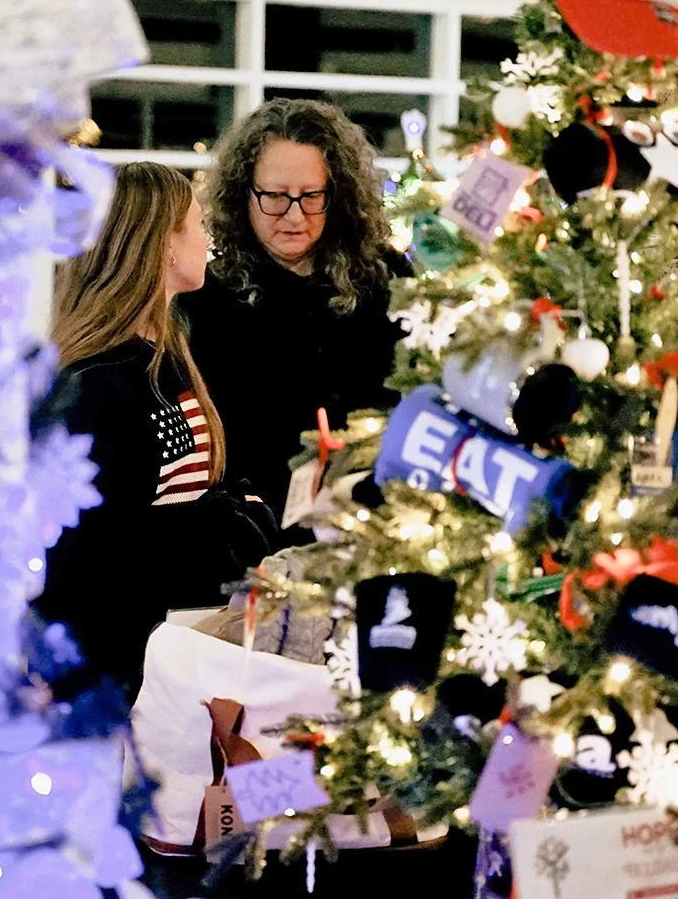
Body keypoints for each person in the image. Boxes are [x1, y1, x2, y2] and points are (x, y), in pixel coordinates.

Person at [37, 162, 276, 690]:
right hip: (119, 671)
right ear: (162, 243)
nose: (207, 238)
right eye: (197, 224)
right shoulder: (99, 383)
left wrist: (236, 510)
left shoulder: (162, 359)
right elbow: (97, 548)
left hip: (167, 652)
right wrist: (226, 521)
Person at [181, 98, 410, 517]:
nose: (293, 215)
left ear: (336, 194)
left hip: (377, 516)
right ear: (243, 193)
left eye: (310, 196)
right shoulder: (208, 297)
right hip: (254, 529)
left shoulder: (385, 277)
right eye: (274, 196)